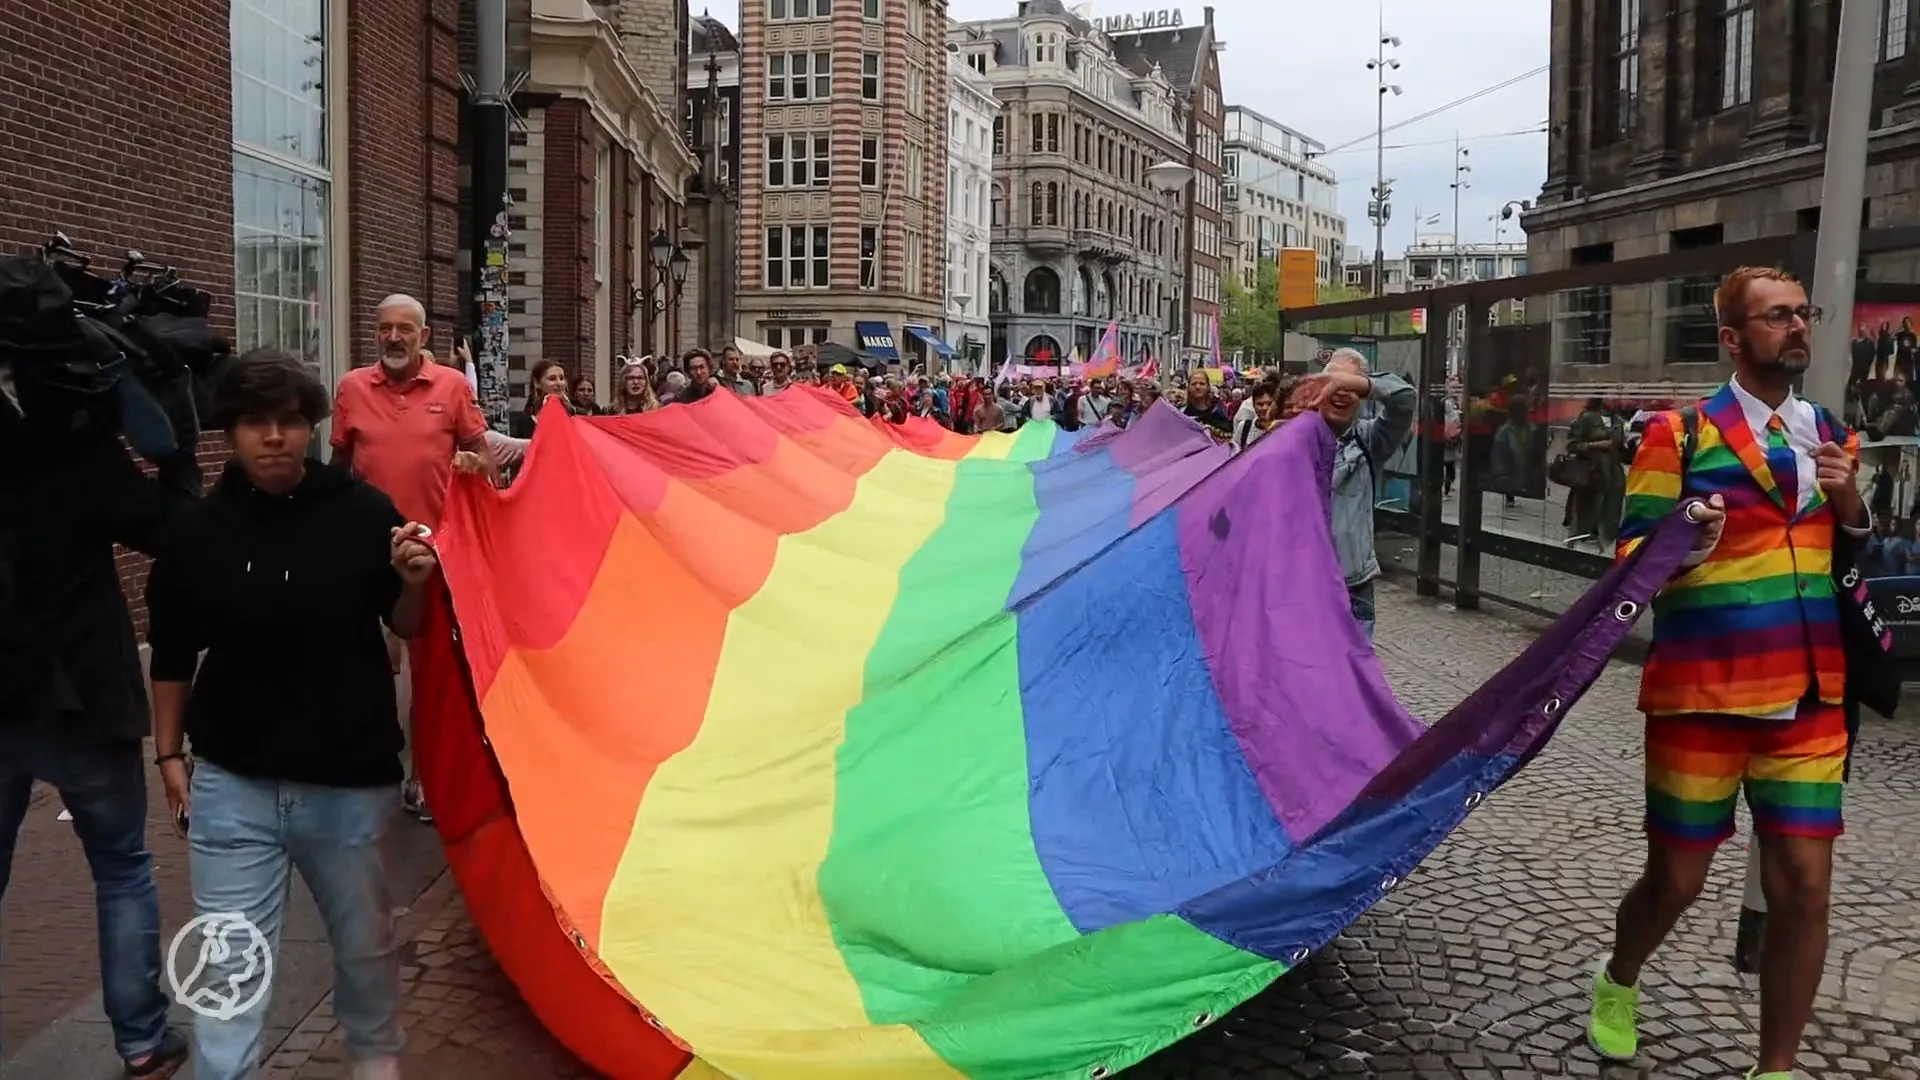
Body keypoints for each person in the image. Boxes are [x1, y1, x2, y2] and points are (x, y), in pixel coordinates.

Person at [1590, 266, 1869, 1080]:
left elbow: (1851, 547)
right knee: (1676, 880)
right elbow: (1630, 558)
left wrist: (1852, 508)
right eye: (1776, 316)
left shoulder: (1832, 435)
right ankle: (1619, 976)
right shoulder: (1678, 435)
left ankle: (1775, 1068)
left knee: (1805, 887)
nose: (1797, 326)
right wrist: (1685, 542)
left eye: (1802, 313)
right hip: (1703, 693)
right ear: (1733, 338)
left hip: (1811, 694)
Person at [147, 351, 431, 1080]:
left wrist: (411, 583)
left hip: (349, 781)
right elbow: (172, 652)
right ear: (231, 432)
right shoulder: (196, 532)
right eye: (254, 423)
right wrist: (170, 755)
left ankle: (374, 1063)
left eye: (289, 421)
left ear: (310, 428)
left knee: (366, 951)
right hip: (233, 782)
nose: (273, 436)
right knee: (229, 964)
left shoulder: (363, 512)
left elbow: (407, 623)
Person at [0, 358, 199, 1075]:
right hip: (83, 692)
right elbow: (174, 528)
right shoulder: (79, 450)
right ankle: (142, 1040)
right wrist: (175, 440)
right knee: (120, 868)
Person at [330, 294, 493, 823]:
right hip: (366, 549)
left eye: (404, 329)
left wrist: (473, 465)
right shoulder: (353, 388)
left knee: (432, 671)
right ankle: (363, 767)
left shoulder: (452, 386)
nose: (394, 337)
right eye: (385, 329)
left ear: (424, 336)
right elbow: (337, 466)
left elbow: (482, 454)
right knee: (361, 662)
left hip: (432, 551)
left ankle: (423, 775)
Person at [1314, 349, 1416, 640]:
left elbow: (1405, 399)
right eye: (1333, 382)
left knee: (1352, 669)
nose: (1340, 391)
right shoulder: (1293, 439)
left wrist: (1360, 384)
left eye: (1351, 386)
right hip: (1299, 587)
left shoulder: (1370, 440)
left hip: (1352, 588)